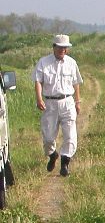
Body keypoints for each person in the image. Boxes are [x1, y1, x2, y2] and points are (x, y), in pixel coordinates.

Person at [31, 34, 83, 177]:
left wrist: (77, 101)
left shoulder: (72, 63)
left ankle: (65, 162)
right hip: (50, 103)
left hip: (67, 102)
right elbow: (38, 81)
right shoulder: (43, 62)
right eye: (60, 47)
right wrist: (39, 98)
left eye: (65, 48)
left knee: (70, 135)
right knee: (48, 137)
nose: (62, 50)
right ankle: (53, 155)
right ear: (54, 47)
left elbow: (76, 83)